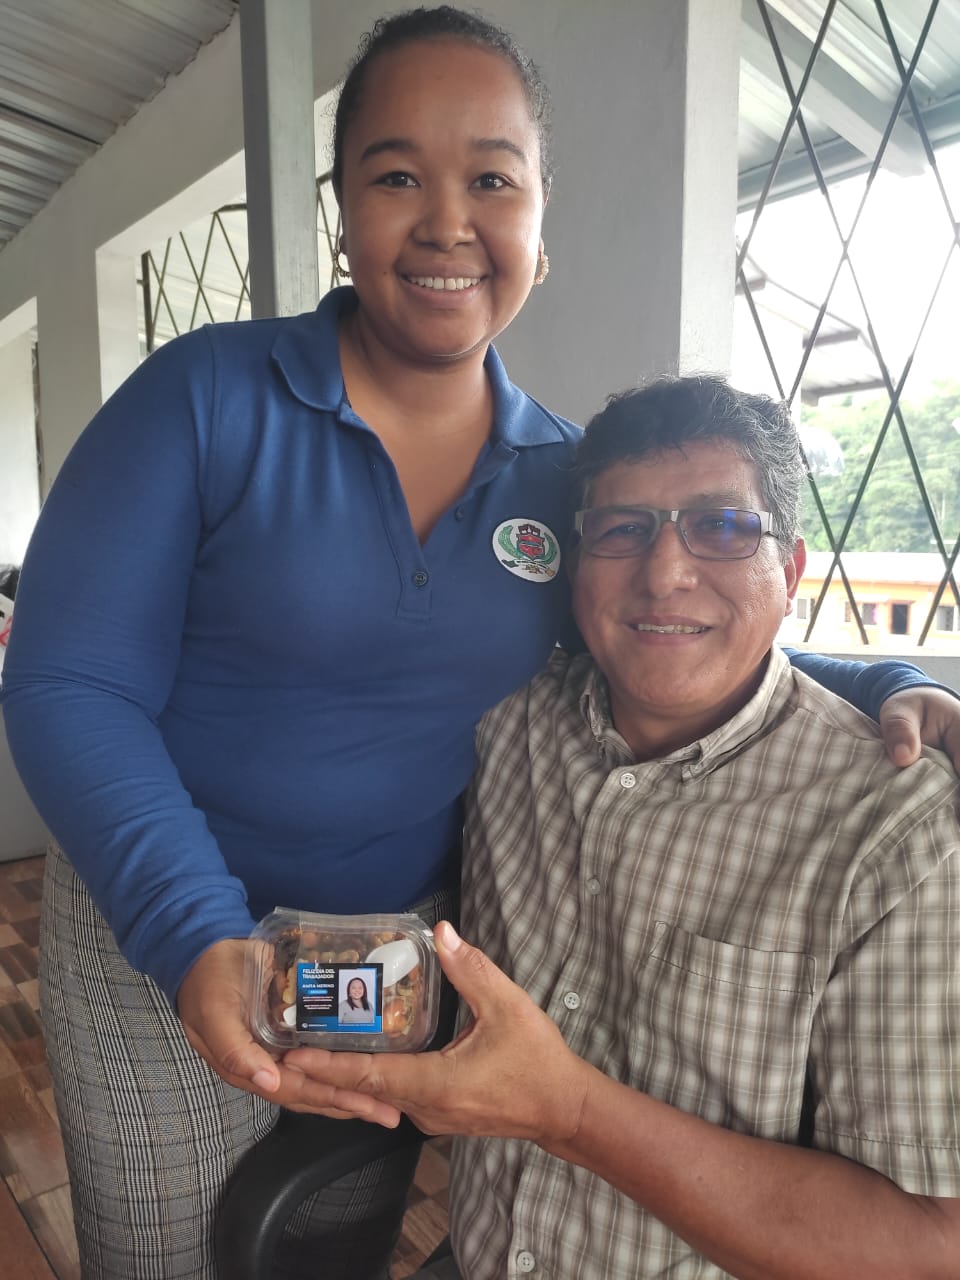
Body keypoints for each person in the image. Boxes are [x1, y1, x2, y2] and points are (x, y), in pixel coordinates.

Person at [0, 8, 958, 1280]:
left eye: (493, 180)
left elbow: (671, 623)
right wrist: (189, 931)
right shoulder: (205, 398)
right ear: (343, 210)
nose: (447, 221)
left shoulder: (564, 479)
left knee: (331, 1238)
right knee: (167, 1254)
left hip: (402, 944)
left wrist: (888, 679)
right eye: (397, 175)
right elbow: (69, 680)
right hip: (158, 915)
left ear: (540, 228)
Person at [294, 376, 960, 1280]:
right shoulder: (507, 719)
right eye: (622, 529)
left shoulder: (898, 832)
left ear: (792, 571)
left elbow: (928, 1243)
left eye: (722, 527)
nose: (665, 573)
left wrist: (568, 1111)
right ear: (575, 565)